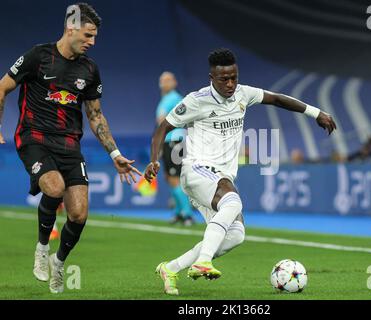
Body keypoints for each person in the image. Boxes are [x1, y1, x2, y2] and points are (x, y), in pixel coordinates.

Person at [144, 48, 336, 295]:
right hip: (196, 169)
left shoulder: (243, 94)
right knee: (232, 201)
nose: (231, 83)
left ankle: (170, 268)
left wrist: (316, 112)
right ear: (211, 77)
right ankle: (203, 262)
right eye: (224, 79)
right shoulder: (196, 100)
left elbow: (277, 98)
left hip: (219, 176)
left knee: (235, 235)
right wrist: (153, 160)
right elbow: (163, 128)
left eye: (234, 77)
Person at [0, 3, 141, 294]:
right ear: (70, 28)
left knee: (79, 214)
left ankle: (59, 261)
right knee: (53, 187)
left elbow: (96, 115)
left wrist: (114, 154)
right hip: (33, 137)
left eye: (95, 37)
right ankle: (41, 248)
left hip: (69, 144)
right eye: (88, 35)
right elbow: (2, 87)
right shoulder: (38, 56)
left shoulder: (89, 69)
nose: (92, 42)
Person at [155, 72, 194, 226]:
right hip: (172, 140)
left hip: (174, 140)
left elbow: (161, 121)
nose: (165, 83)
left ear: (175, 82)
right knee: (170, 177)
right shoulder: (168, 99)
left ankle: (187, 214)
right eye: (162, 80)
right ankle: (178, 212)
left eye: (168, 80)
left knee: (174, 178)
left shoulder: (173, 98)